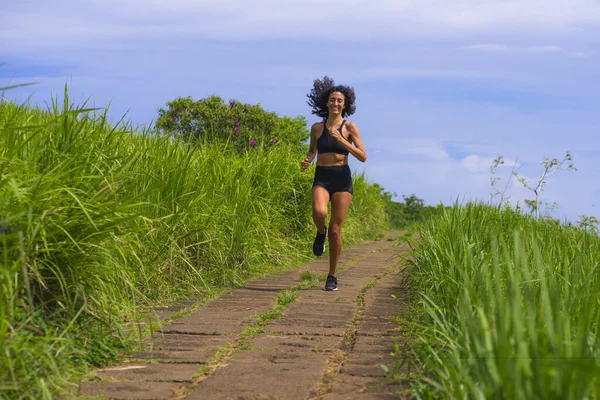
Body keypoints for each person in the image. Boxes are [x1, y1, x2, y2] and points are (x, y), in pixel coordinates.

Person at [301, 77, 367, 291]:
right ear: (326, 102)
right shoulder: (317, 128)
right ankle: (320, 232)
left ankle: (332, 275)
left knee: (337, 231)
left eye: (339, 100)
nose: (336, 103)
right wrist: (307, 161)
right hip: (322, 175)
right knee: (319, 212)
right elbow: (313, 150)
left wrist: (342, 140)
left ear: (345, 104)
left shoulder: (350, 127)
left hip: (342, 178)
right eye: (332, 100)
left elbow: (363, 156)